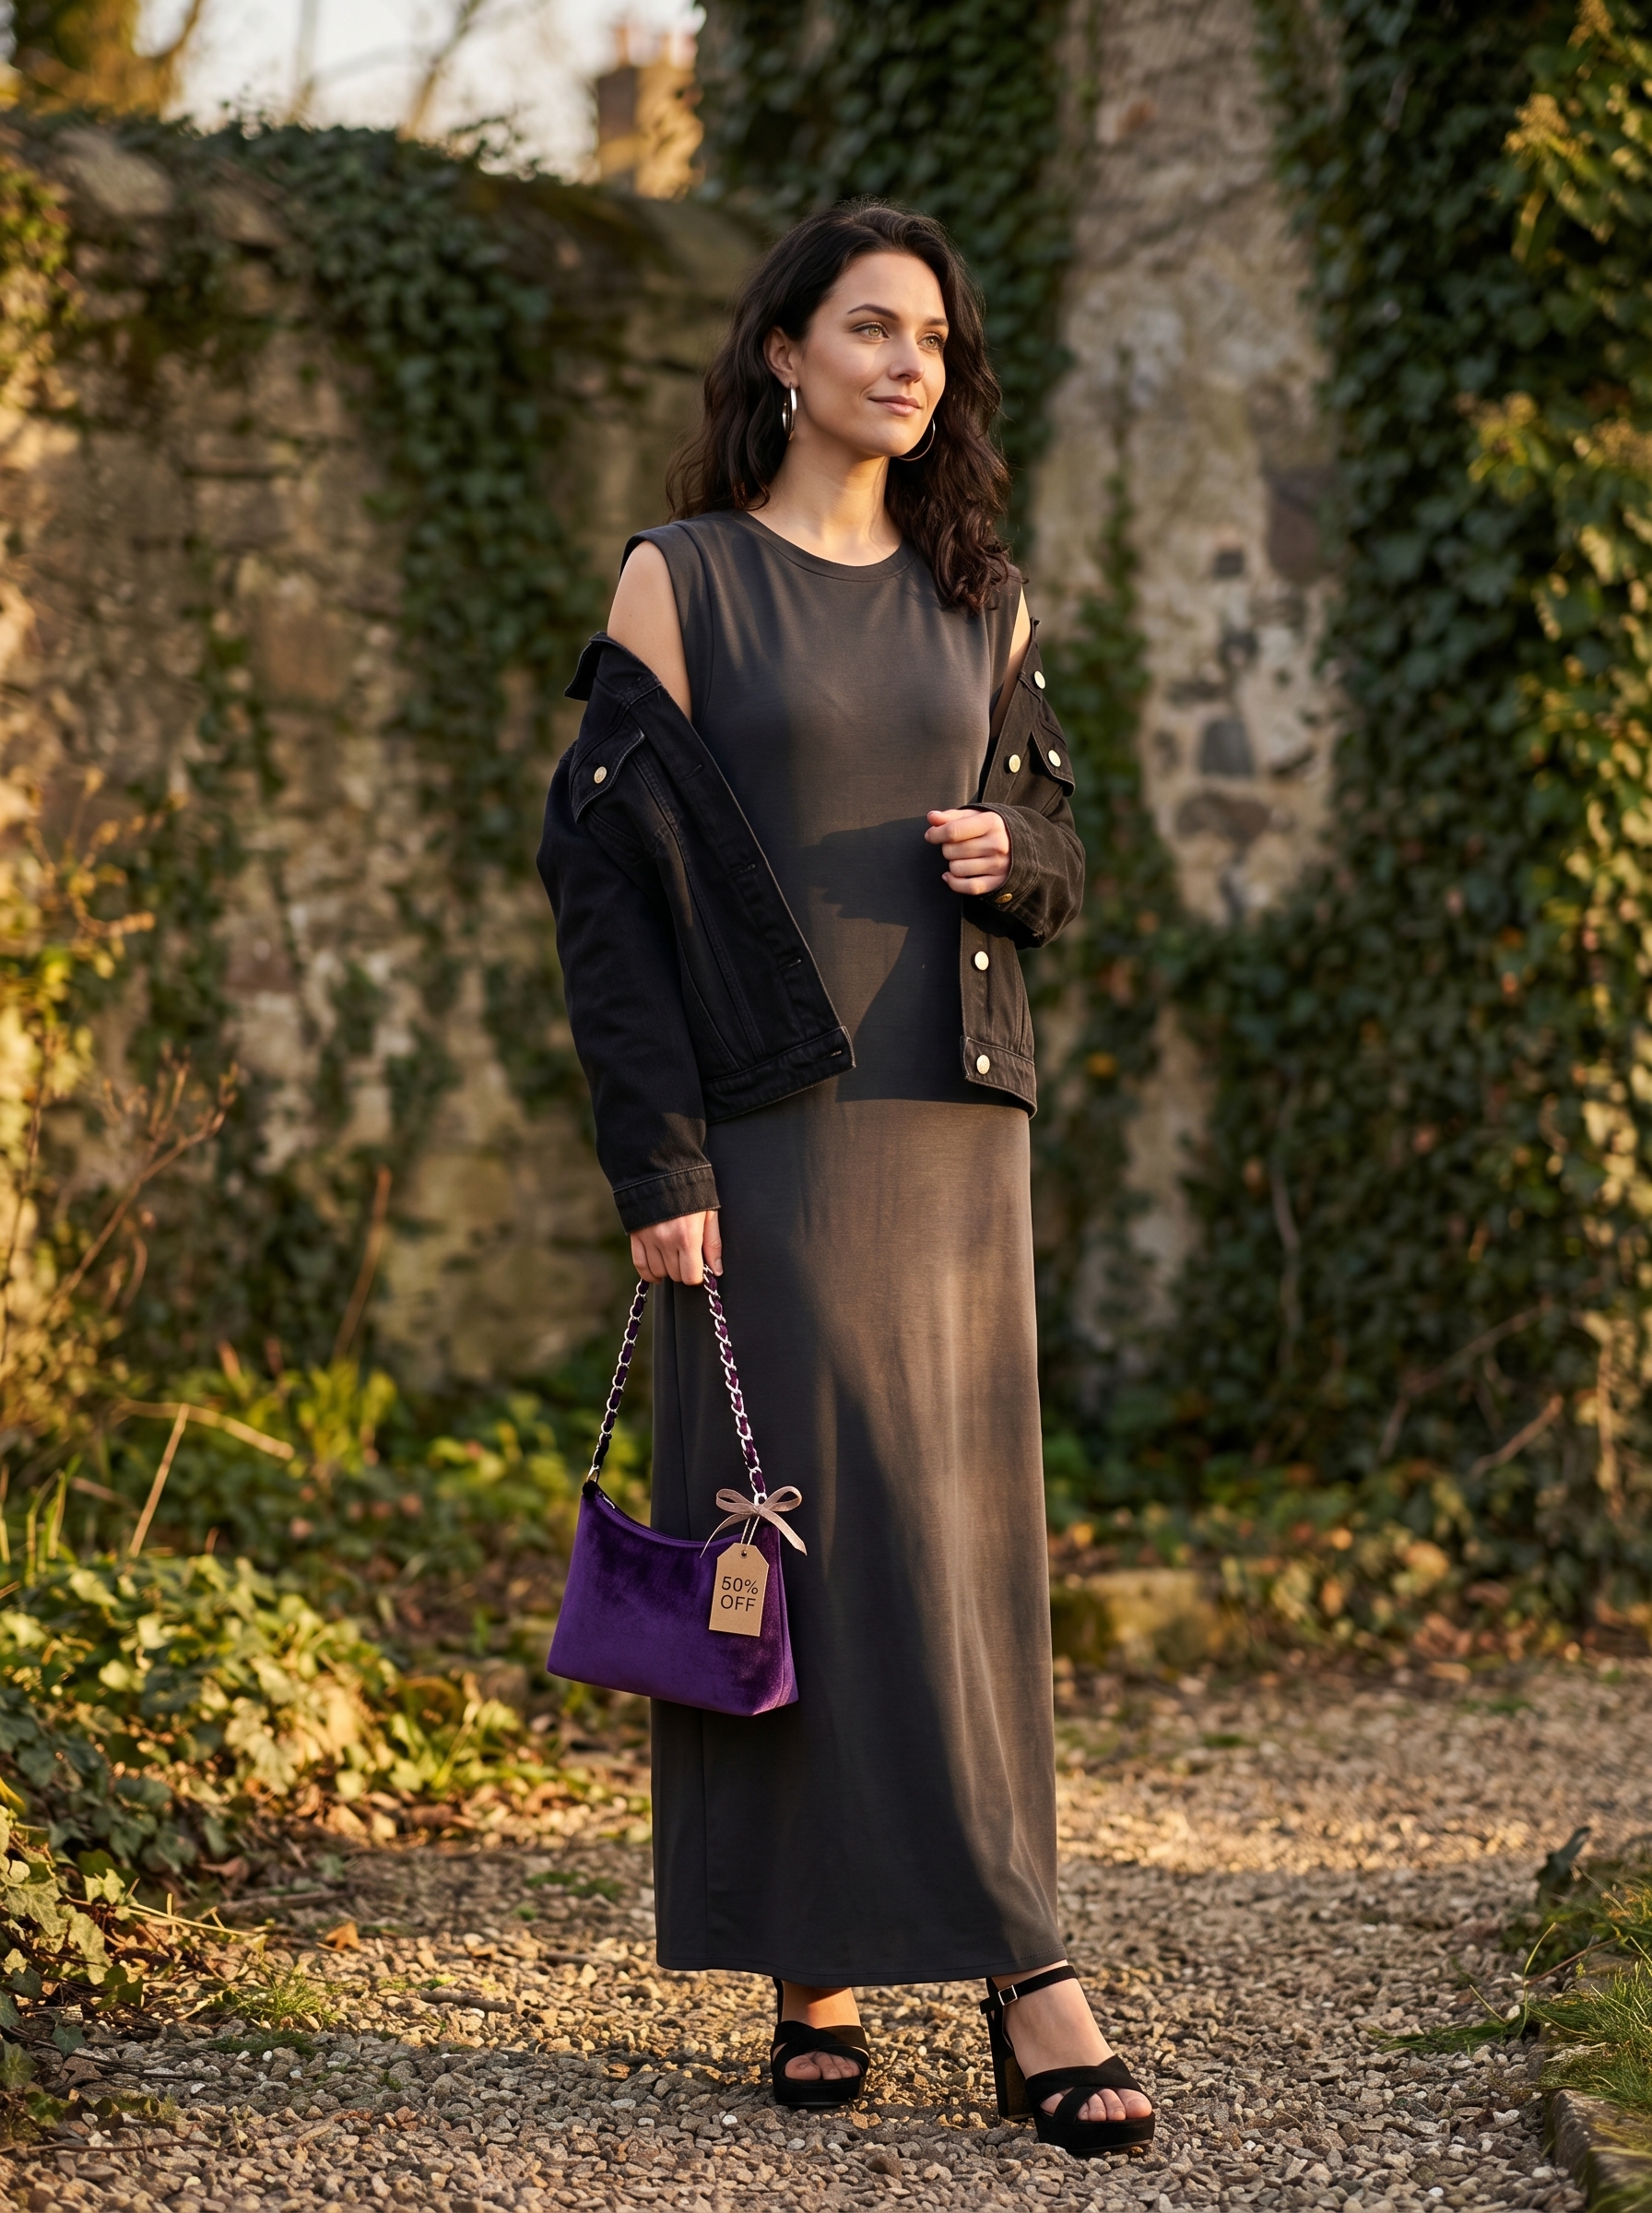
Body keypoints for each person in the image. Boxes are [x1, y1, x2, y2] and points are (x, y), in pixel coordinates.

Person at [537, 201, 1154, 2160]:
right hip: (768, 1129)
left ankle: (1021, 1966)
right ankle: (810, 1967)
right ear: (782, 354)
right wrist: (656, 1158)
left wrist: (1013, 861)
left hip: (949, 1129)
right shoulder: (681, 583)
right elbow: (603, 896)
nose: (912, 364)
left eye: (938, 343)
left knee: (958, 1549)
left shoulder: (985, 598)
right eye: (872, 329)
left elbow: (1061, 845)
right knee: (783, 1526)